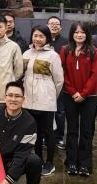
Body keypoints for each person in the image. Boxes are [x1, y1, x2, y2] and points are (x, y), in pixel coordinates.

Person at [0, 81, 44, 184]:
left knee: (34, 161)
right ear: (5, 97)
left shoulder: (29, 122)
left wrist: (10, 178)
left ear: (23, 99)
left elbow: (22, 154)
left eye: (17, 96)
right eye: (10, 95)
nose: (13, 99)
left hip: (12, 162)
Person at [21, 25, 64, 176]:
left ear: (47, 38)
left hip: (46, 99)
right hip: (28, 99)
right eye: (35, 35)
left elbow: (59, 81)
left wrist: (51, 96)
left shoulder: (53, 55)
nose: (37, 39)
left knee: (48, 132)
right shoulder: (26, 53)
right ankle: (38, 159)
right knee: (35, 132)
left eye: (41, 36)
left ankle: (50, 162)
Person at [60, 22, 97, 176]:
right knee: (71, 130)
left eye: (82, 32)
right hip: (69, 95)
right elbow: (62, 73)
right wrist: (72, 91)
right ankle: (71, 162)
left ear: (87, 34)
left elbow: (95, 75)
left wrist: (83, 93)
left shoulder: (94, 52)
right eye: (76, 32)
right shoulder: (65, 50)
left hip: (89, 97)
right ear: (72, 34)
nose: (79, 35)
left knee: (86, 130)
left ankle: (85, 164)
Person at [46, 16, 68, 150]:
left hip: (60, 82)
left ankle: (59, 136)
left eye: (57, 24)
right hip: (45, 82)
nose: (54, 26)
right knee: (45, 110)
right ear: (47, 25)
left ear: (60, 27)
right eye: (51, 23)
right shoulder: (43, 39)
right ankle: (45, 135)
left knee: (60, 111)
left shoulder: (66, 42)